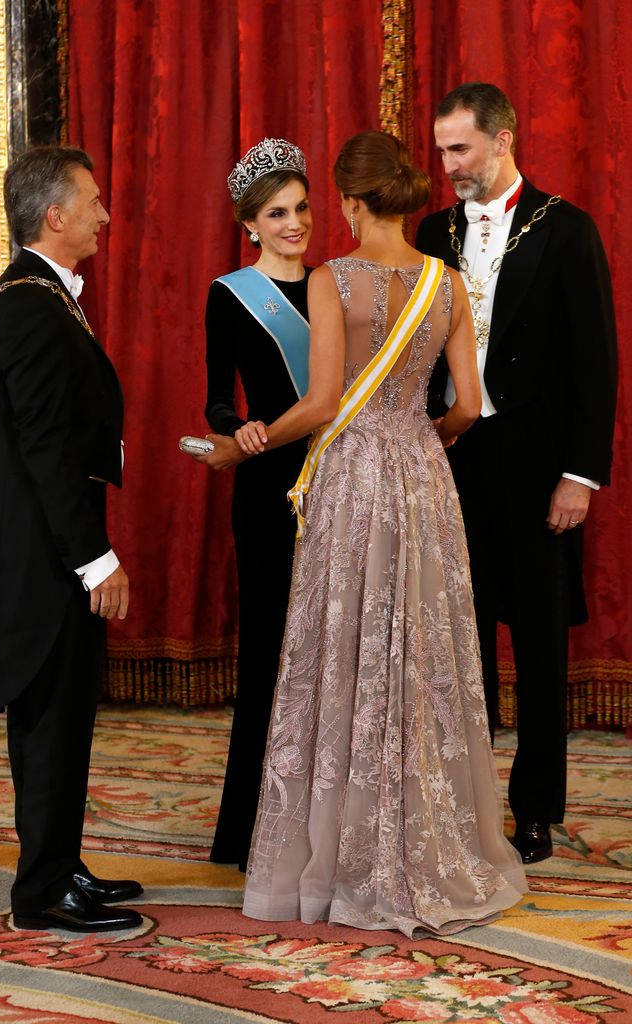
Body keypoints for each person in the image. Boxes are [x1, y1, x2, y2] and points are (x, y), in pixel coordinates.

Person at [237, 129, 526, 937]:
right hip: (423, 477)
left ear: (350, 203)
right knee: (421, 657)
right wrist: (426, 434)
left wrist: (249, 439)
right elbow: (469, 405)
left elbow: (324, 401)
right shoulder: (448, 284)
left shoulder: (332, 279)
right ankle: (431, 842)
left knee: (345, 653)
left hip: (355, 478)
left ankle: (340, 852)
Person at [415, 83, 618, 864]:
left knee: (536, 646)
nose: (449, 166)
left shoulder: (567, 230)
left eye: (460, 149)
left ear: (503, 140)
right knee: (454, 642)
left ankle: (534, 810)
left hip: (539, 472)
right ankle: (459, 800)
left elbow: (597, 366)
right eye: (441, 152)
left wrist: (581, 476)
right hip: (454, 463)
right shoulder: (433, 231)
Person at [0, 146, 143, 932]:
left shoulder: (42, 297)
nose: (105, 214)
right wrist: (95, 559)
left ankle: (62, 863)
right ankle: (40, 892)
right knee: (48, 723)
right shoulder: (28, 304)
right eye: (94, 201)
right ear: (55, 214)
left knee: (66, 719)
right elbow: (43, 447)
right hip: (47, 558)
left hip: (53, 548)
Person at [197, 139, 313, 872]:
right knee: (271, 653)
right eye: (278, 213)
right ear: (251, 224)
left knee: (333, 654)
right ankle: (250, 830)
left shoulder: (337, 284)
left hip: (339, 477)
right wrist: (231, 424)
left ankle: (323, 822)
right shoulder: (231, 294)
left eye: (302, 208)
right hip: (268, 485)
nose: (295, 224)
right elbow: (215, 393)